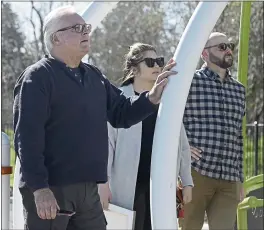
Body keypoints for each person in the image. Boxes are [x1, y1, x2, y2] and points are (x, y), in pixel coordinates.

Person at [12, 6, 177, 230]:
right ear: (56, 38)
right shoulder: (37, 77)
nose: (85, 33)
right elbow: (27, 139)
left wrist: (152, 97)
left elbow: (121, 113)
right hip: (51, 190)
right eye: (77, 28)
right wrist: (40, 189)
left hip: (88, 191)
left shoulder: (94, 76)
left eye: (86, 28)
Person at [98, 43, 193, 230]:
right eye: (150, 62)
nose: (157, 66)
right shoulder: (119, 101)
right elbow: (106, 146)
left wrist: (187, 180)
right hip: (125, 188)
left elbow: (181, 144)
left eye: (158, 61)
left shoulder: (167, 101)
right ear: (134, 69)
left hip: (159, 186)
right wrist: (103, 183)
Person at [182, 32, 246, 230]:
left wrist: (240, 178)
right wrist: (183, 147)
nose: (228, 50)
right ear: (205, 54)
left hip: (229, 177)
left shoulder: (239, 89)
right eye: (221, 47)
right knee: (189, 227)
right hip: (196, 173)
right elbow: (170, 121)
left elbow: (238, 135)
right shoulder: (188, 83)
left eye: (229, 46)